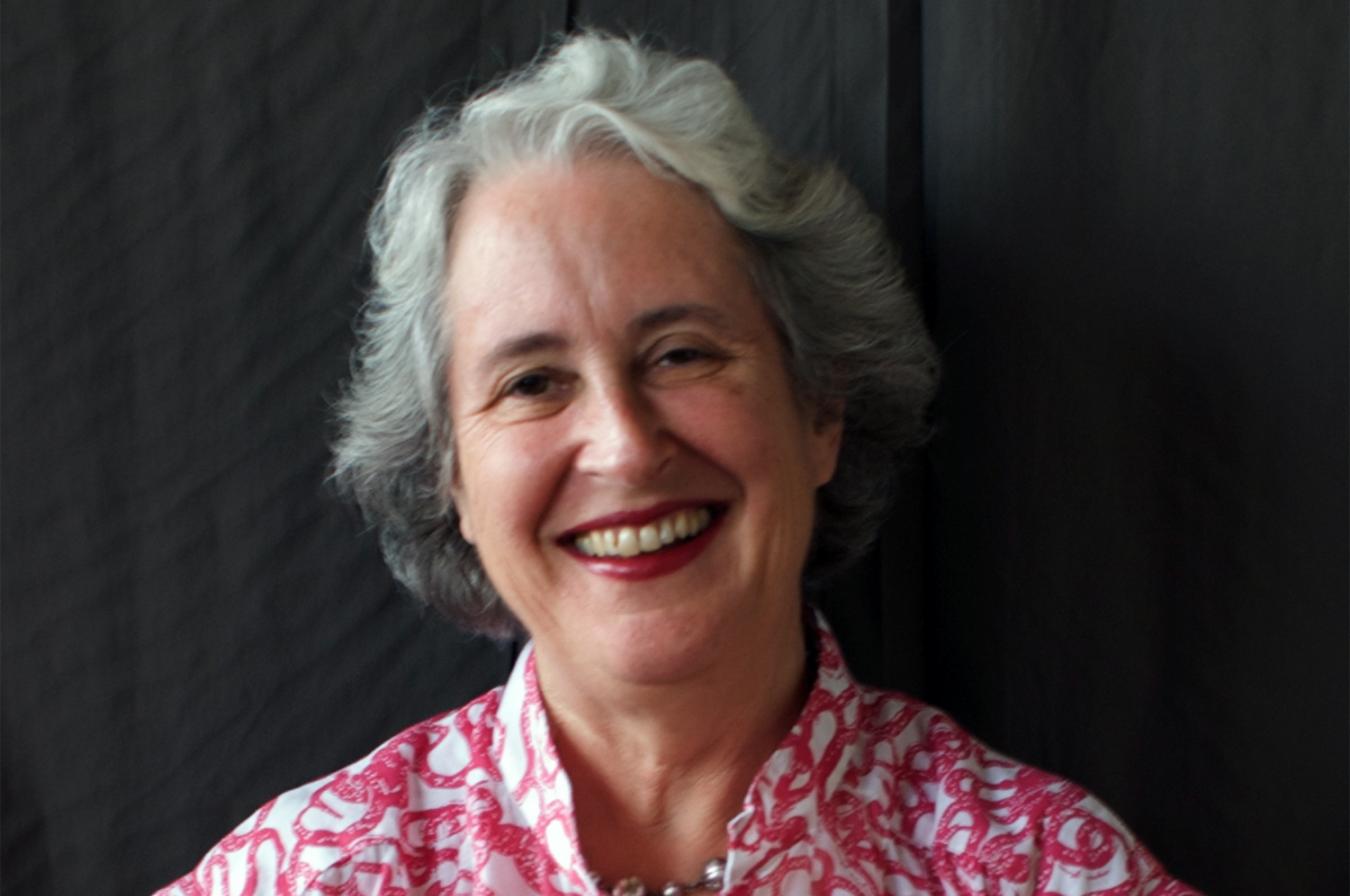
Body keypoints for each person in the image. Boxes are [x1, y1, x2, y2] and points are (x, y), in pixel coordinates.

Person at [157, 32, 1195, 896]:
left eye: (682, 352)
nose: (623, 441)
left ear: (820, 407)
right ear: (449, 473)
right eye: (532, 381)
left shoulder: (1047, 871)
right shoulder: (304, 873)